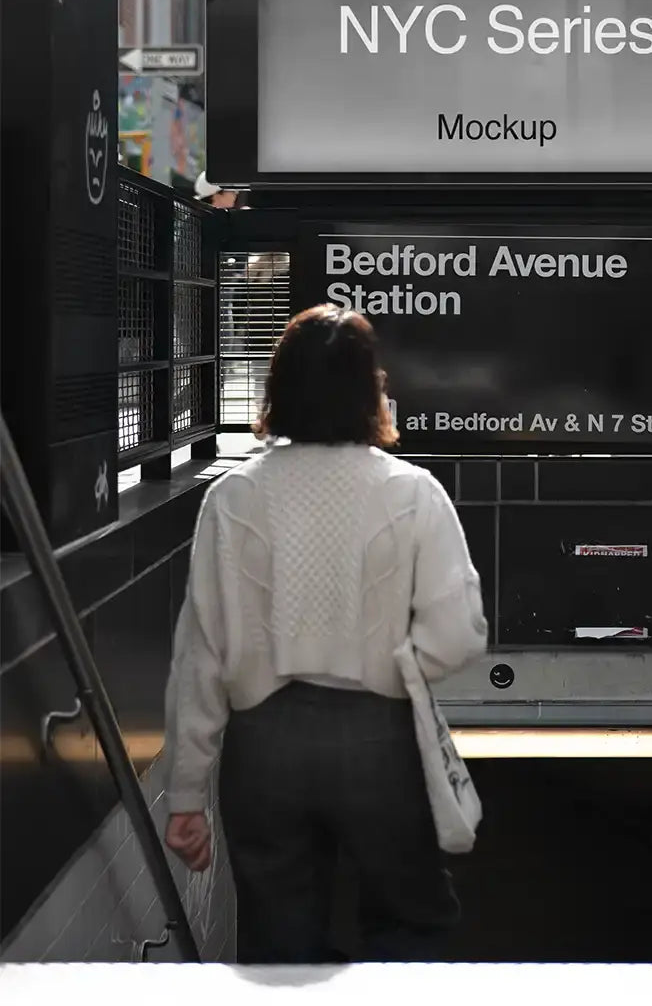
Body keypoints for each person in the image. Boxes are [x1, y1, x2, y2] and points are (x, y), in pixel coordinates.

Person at [162, 305, 488, 964]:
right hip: (380, 740)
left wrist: (186, 794)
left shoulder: (233, 496)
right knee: (410, 924)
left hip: (263, 750)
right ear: (372, 389)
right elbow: (458, 635)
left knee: (280, 949)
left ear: (276, 388)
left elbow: (201, 656)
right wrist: (396, 664)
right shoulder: (412, 493)